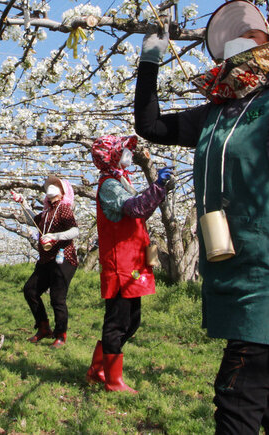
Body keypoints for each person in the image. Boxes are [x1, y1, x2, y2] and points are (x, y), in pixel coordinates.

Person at [133, 0, 269, 433]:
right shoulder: (215, 115)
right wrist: (149, 63)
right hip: (232, 269)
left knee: (238, 396)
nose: (240, 43)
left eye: (253, 34)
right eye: (235, 38)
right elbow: (150, 126)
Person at [85, 135, 173, 392]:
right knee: (118, 321)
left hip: (132, 260)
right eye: (123, 151)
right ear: (111, 155)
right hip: (120, 262)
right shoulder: (110, 185)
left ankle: (97, 369)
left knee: (132, 320)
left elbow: (141, 206)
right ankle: (112, 380)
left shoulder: (122, 179)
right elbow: (135, 209)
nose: (129, 154)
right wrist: (156, 187)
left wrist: (161, 189)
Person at [17, 175, 79, 347]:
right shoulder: (46, 211)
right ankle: (43, 327)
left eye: (56, 185)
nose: (51, 187)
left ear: (63, 192)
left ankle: (61, 334)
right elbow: (31, 220)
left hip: (63, 259)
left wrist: (55, 236)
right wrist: (23, 203)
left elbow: (75, 231)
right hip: (46, 260)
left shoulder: (64, 209)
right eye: (49, 185)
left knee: (57, 297)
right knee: (30, 290)